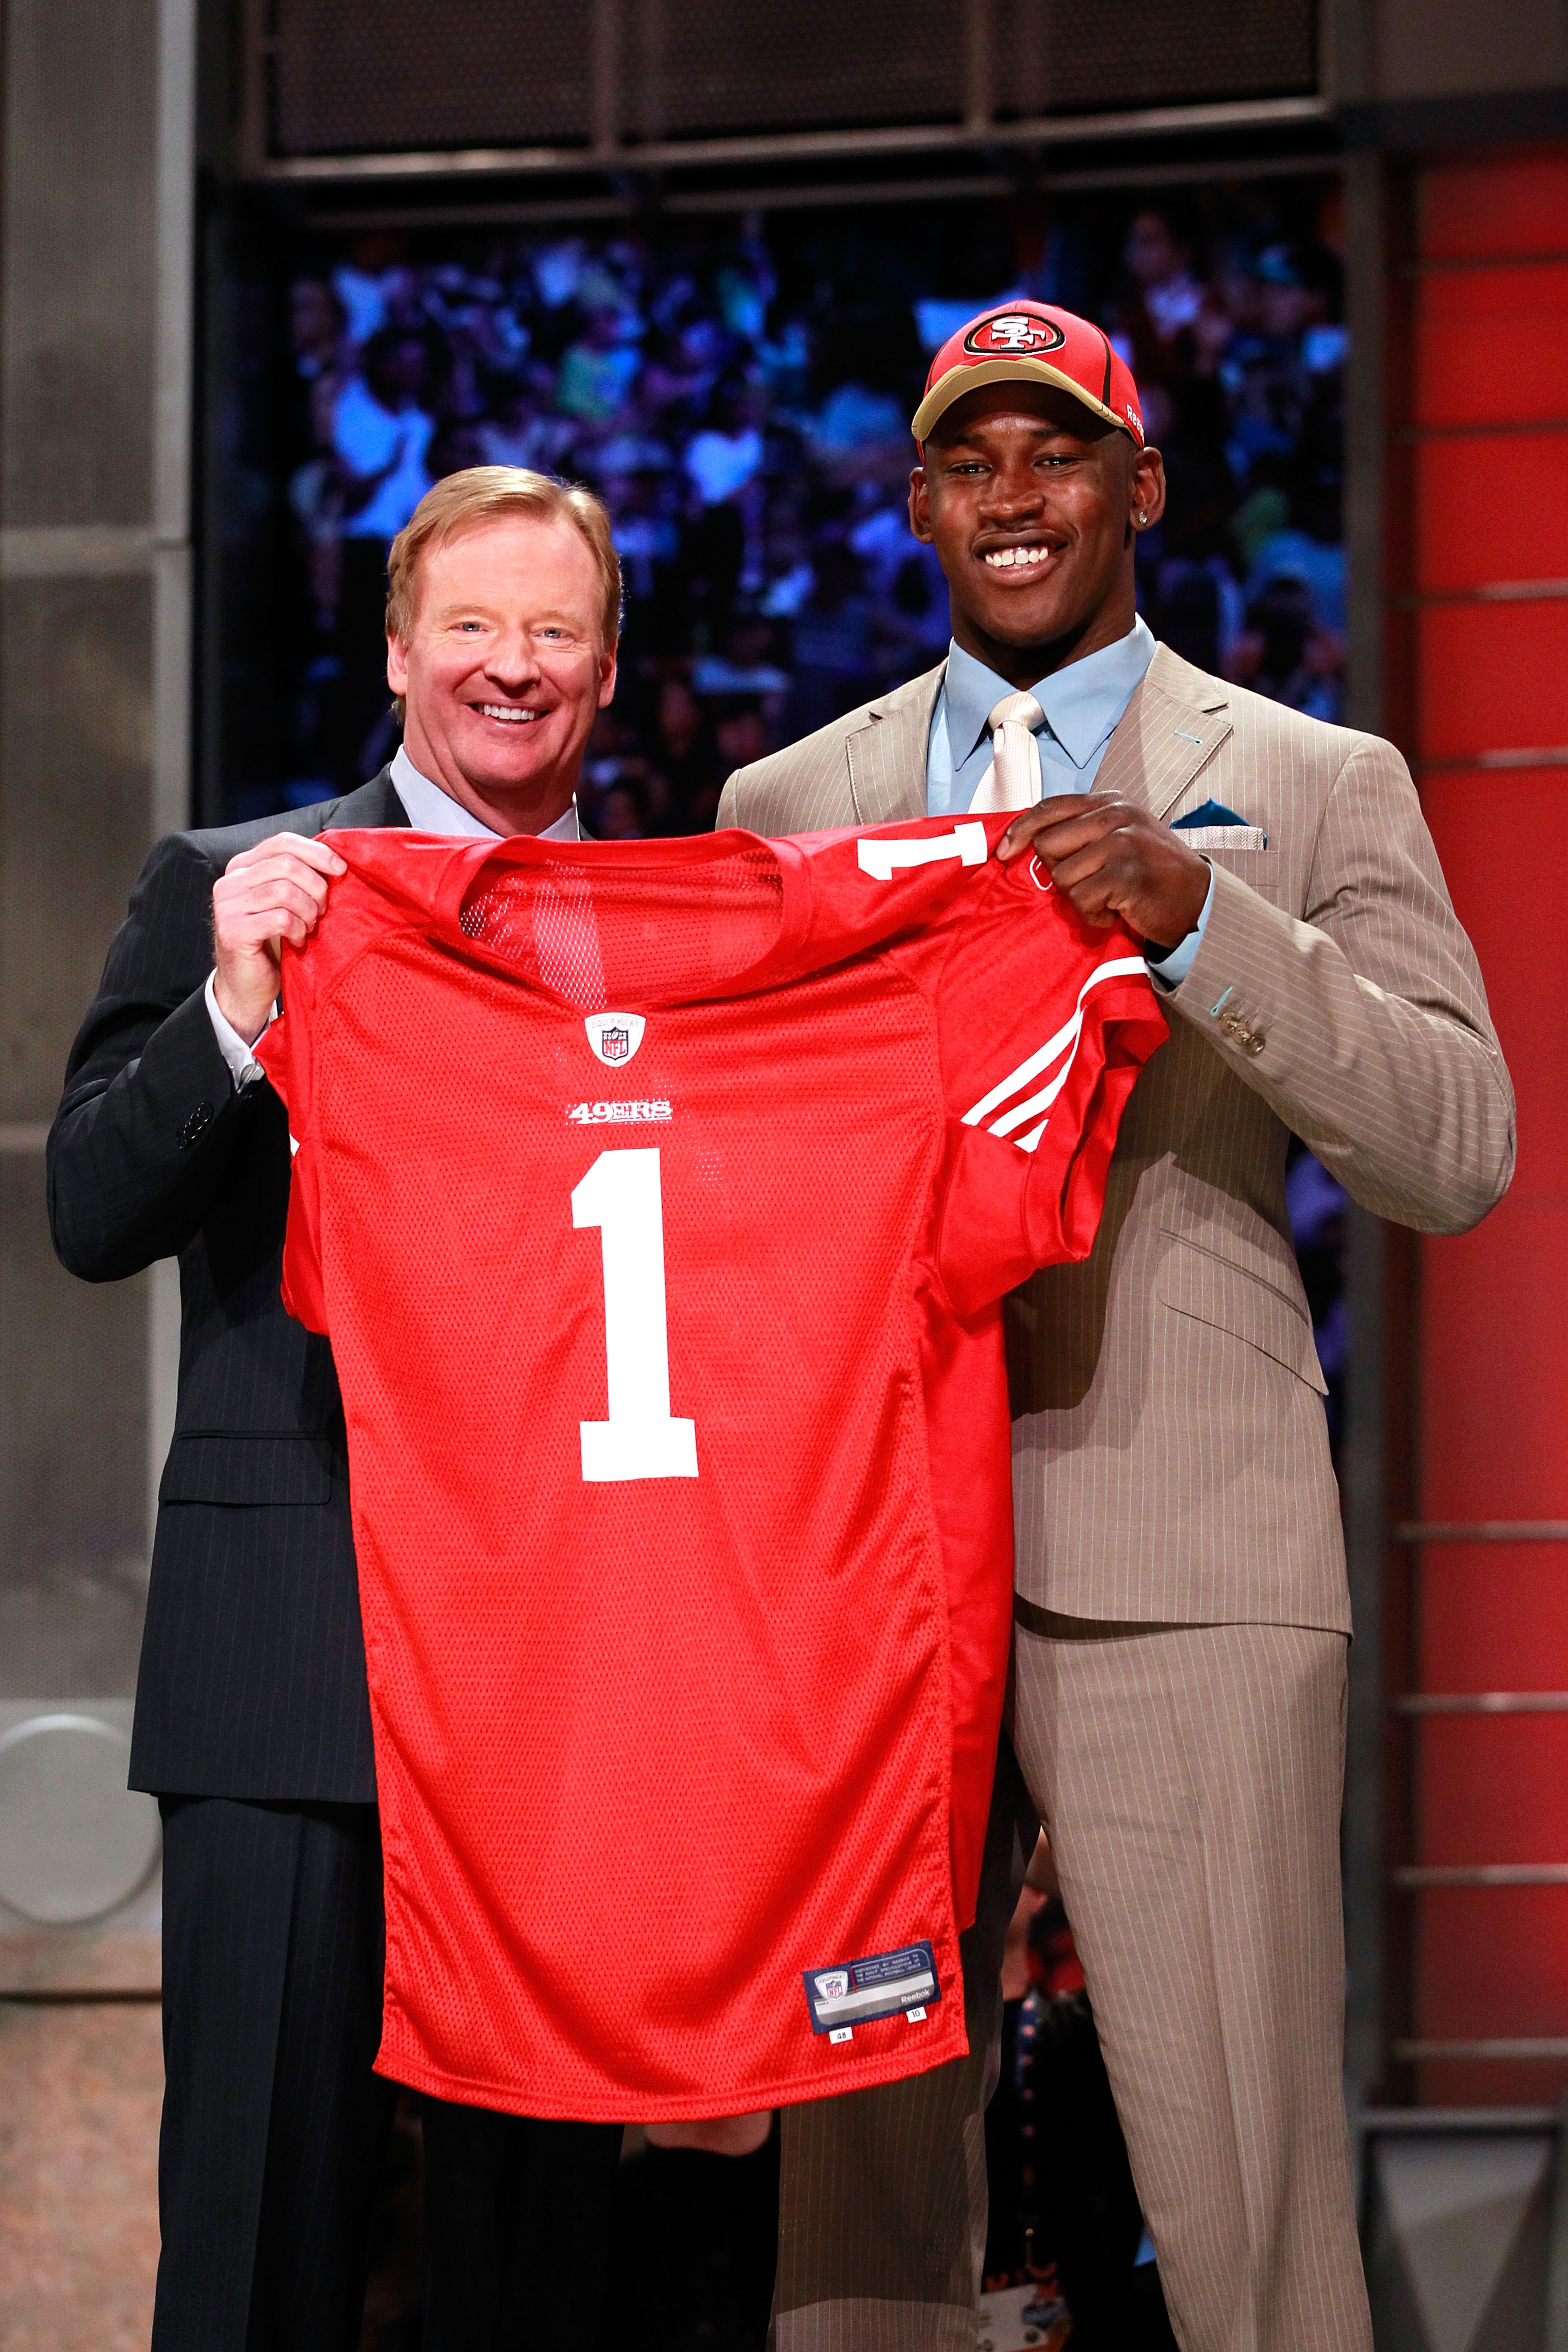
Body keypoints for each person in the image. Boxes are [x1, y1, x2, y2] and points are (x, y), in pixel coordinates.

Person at [716, 299, 1516, 2352]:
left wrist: (1203, 916)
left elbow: (1457, 1141)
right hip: (869, 1578)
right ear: (915, 503)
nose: (1014, 497)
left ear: (1137, 485)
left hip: (1195, 1545)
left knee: (1244, 2181)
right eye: (970, 459)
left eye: (1055, 452)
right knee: (865, 2185)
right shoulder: (782, 800)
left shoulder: (1310, 778)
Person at [47, 466, 626, 2352]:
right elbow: (89, 1212)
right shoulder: (241, 884)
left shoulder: (665, 935)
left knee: (535, 2264)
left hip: (553, 1688)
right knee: (255, 2244)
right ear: (397, 654)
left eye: (554, 631)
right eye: (472, 626)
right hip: (286, 1669)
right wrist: (233, 1011)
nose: (511, 668)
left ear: (608, 673)